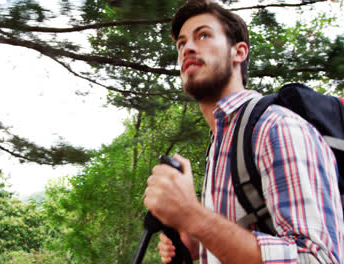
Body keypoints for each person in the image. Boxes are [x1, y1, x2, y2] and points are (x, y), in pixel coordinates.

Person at [143, 0, 344, 263]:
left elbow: (319, 259)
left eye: (203, 35)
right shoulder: (219, 145)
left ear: (239, 52)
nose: (187, 48)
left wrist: (193, 216)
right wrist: (196, 245)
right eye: (181, 44)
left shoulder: (277, 127)